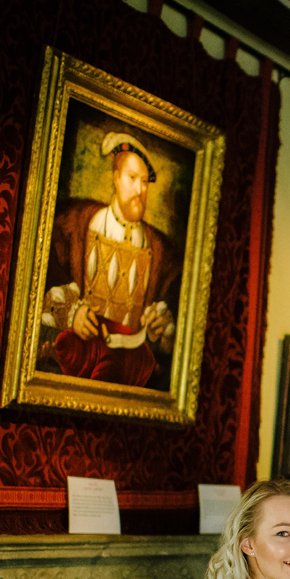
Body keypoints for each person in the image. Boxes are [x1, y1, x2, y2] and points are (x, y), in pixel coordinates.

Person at [41, 131, 181, 388]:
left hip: (124, 380)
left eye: (145, 182)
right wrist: (72, 313)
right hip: (77, 371)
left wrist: (158, 333)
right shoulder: (76, 223)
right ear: (116, 178)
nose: (140, 190)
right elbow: (43, 278)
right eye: (132, 178)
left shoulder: (160, 250)